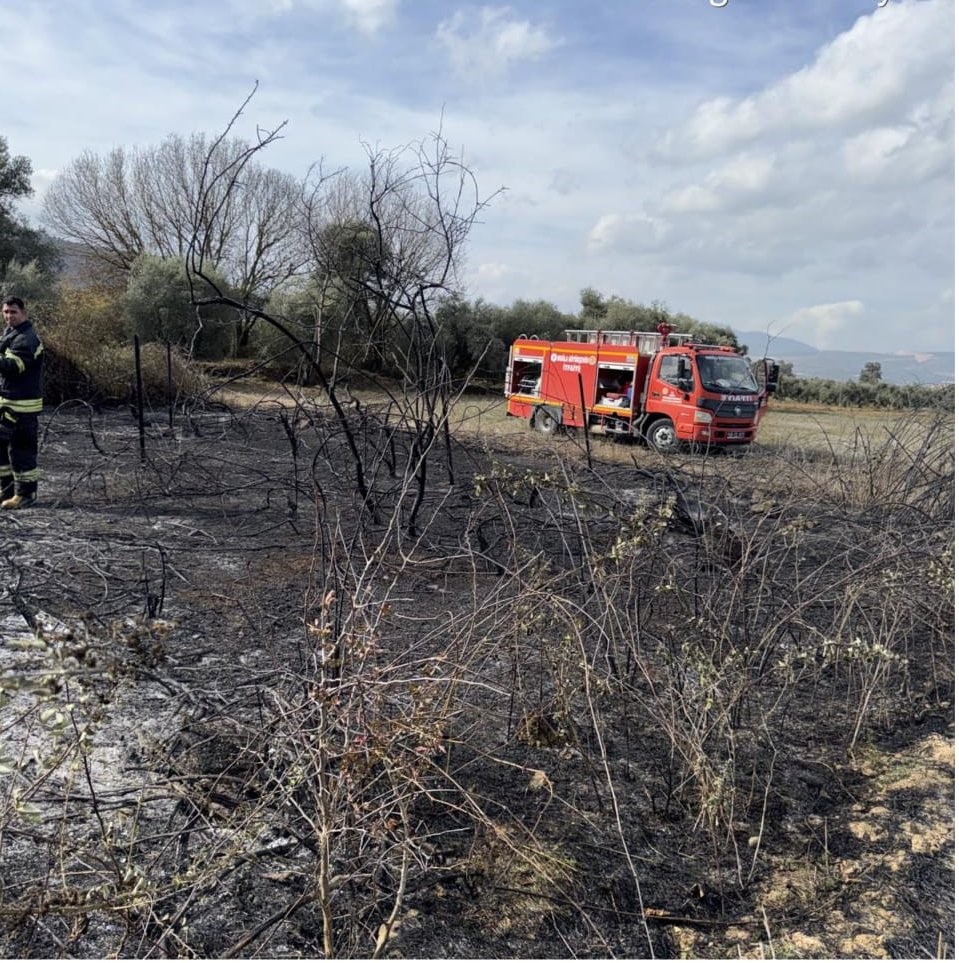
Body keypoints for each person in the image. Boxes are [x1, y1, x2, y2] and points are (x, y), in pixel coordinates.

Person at [0, 296, 43, 509]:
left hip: (23, 408)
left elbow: (13, 367)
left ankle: (26, 495)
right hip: (8, 404)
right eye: (6, 312)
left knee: (21, 451)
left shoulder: (28, 339)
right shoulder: (11, 334)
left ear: (23, 313)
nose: (9, 316)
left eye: (13, 312)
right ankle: (5, 490)